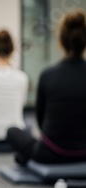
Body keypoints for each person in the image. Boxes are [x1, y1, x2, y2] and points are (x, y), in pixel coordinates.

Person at [7, 10, 86, 165]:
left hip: (51, 154)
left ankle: (26, 158)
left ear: (61, 41)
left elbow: (41, 122)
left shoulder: (48, 75)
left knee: (12, 131)